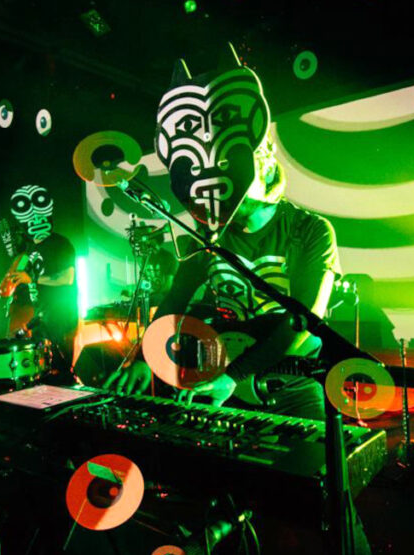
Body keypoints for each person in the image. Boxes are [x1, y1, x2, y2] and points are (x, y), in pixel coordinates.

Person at [107, 58, 339, 422]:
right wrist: (142, 357)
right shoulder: (211, 233)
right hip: (224, 378)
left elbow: (302, 319)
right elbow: (175, 301)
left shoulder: (310, 230)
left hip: (288, 383)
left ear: (261, 169)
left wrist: (235, 376)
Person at [0, 185, 78, 376]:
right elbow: (9, 285)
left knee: (60, 370)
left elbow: (67, 279)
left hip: (61, 317)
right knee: (43, 372)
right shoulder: (29, 250)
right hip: (41, 317)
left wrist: (32, 278)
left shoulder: (60, 243)